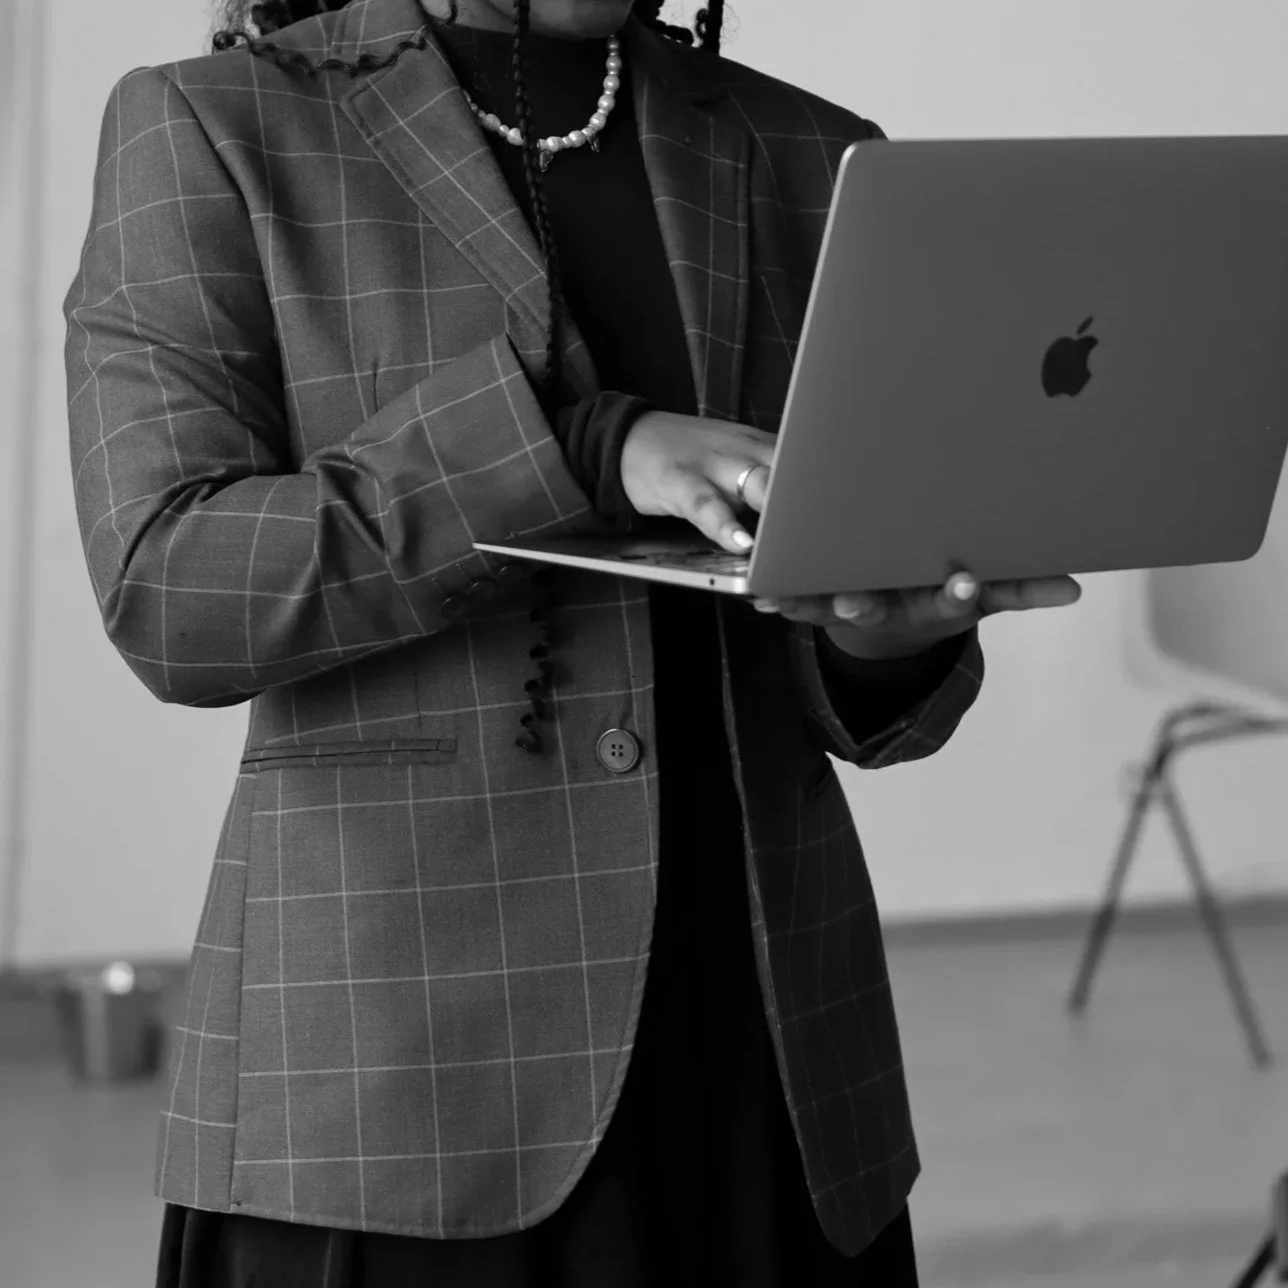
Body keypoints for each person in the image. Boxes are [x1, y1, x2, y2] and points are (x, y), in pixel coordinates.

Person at [62, 0, 1080, 1284]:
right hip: (398, 1079)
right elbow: (168, 590)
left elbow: (819, 643)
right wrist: (581, 446)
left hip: (767, 1060)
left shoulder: (813, 153)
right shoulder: (210, 126)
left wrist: (888, 642)